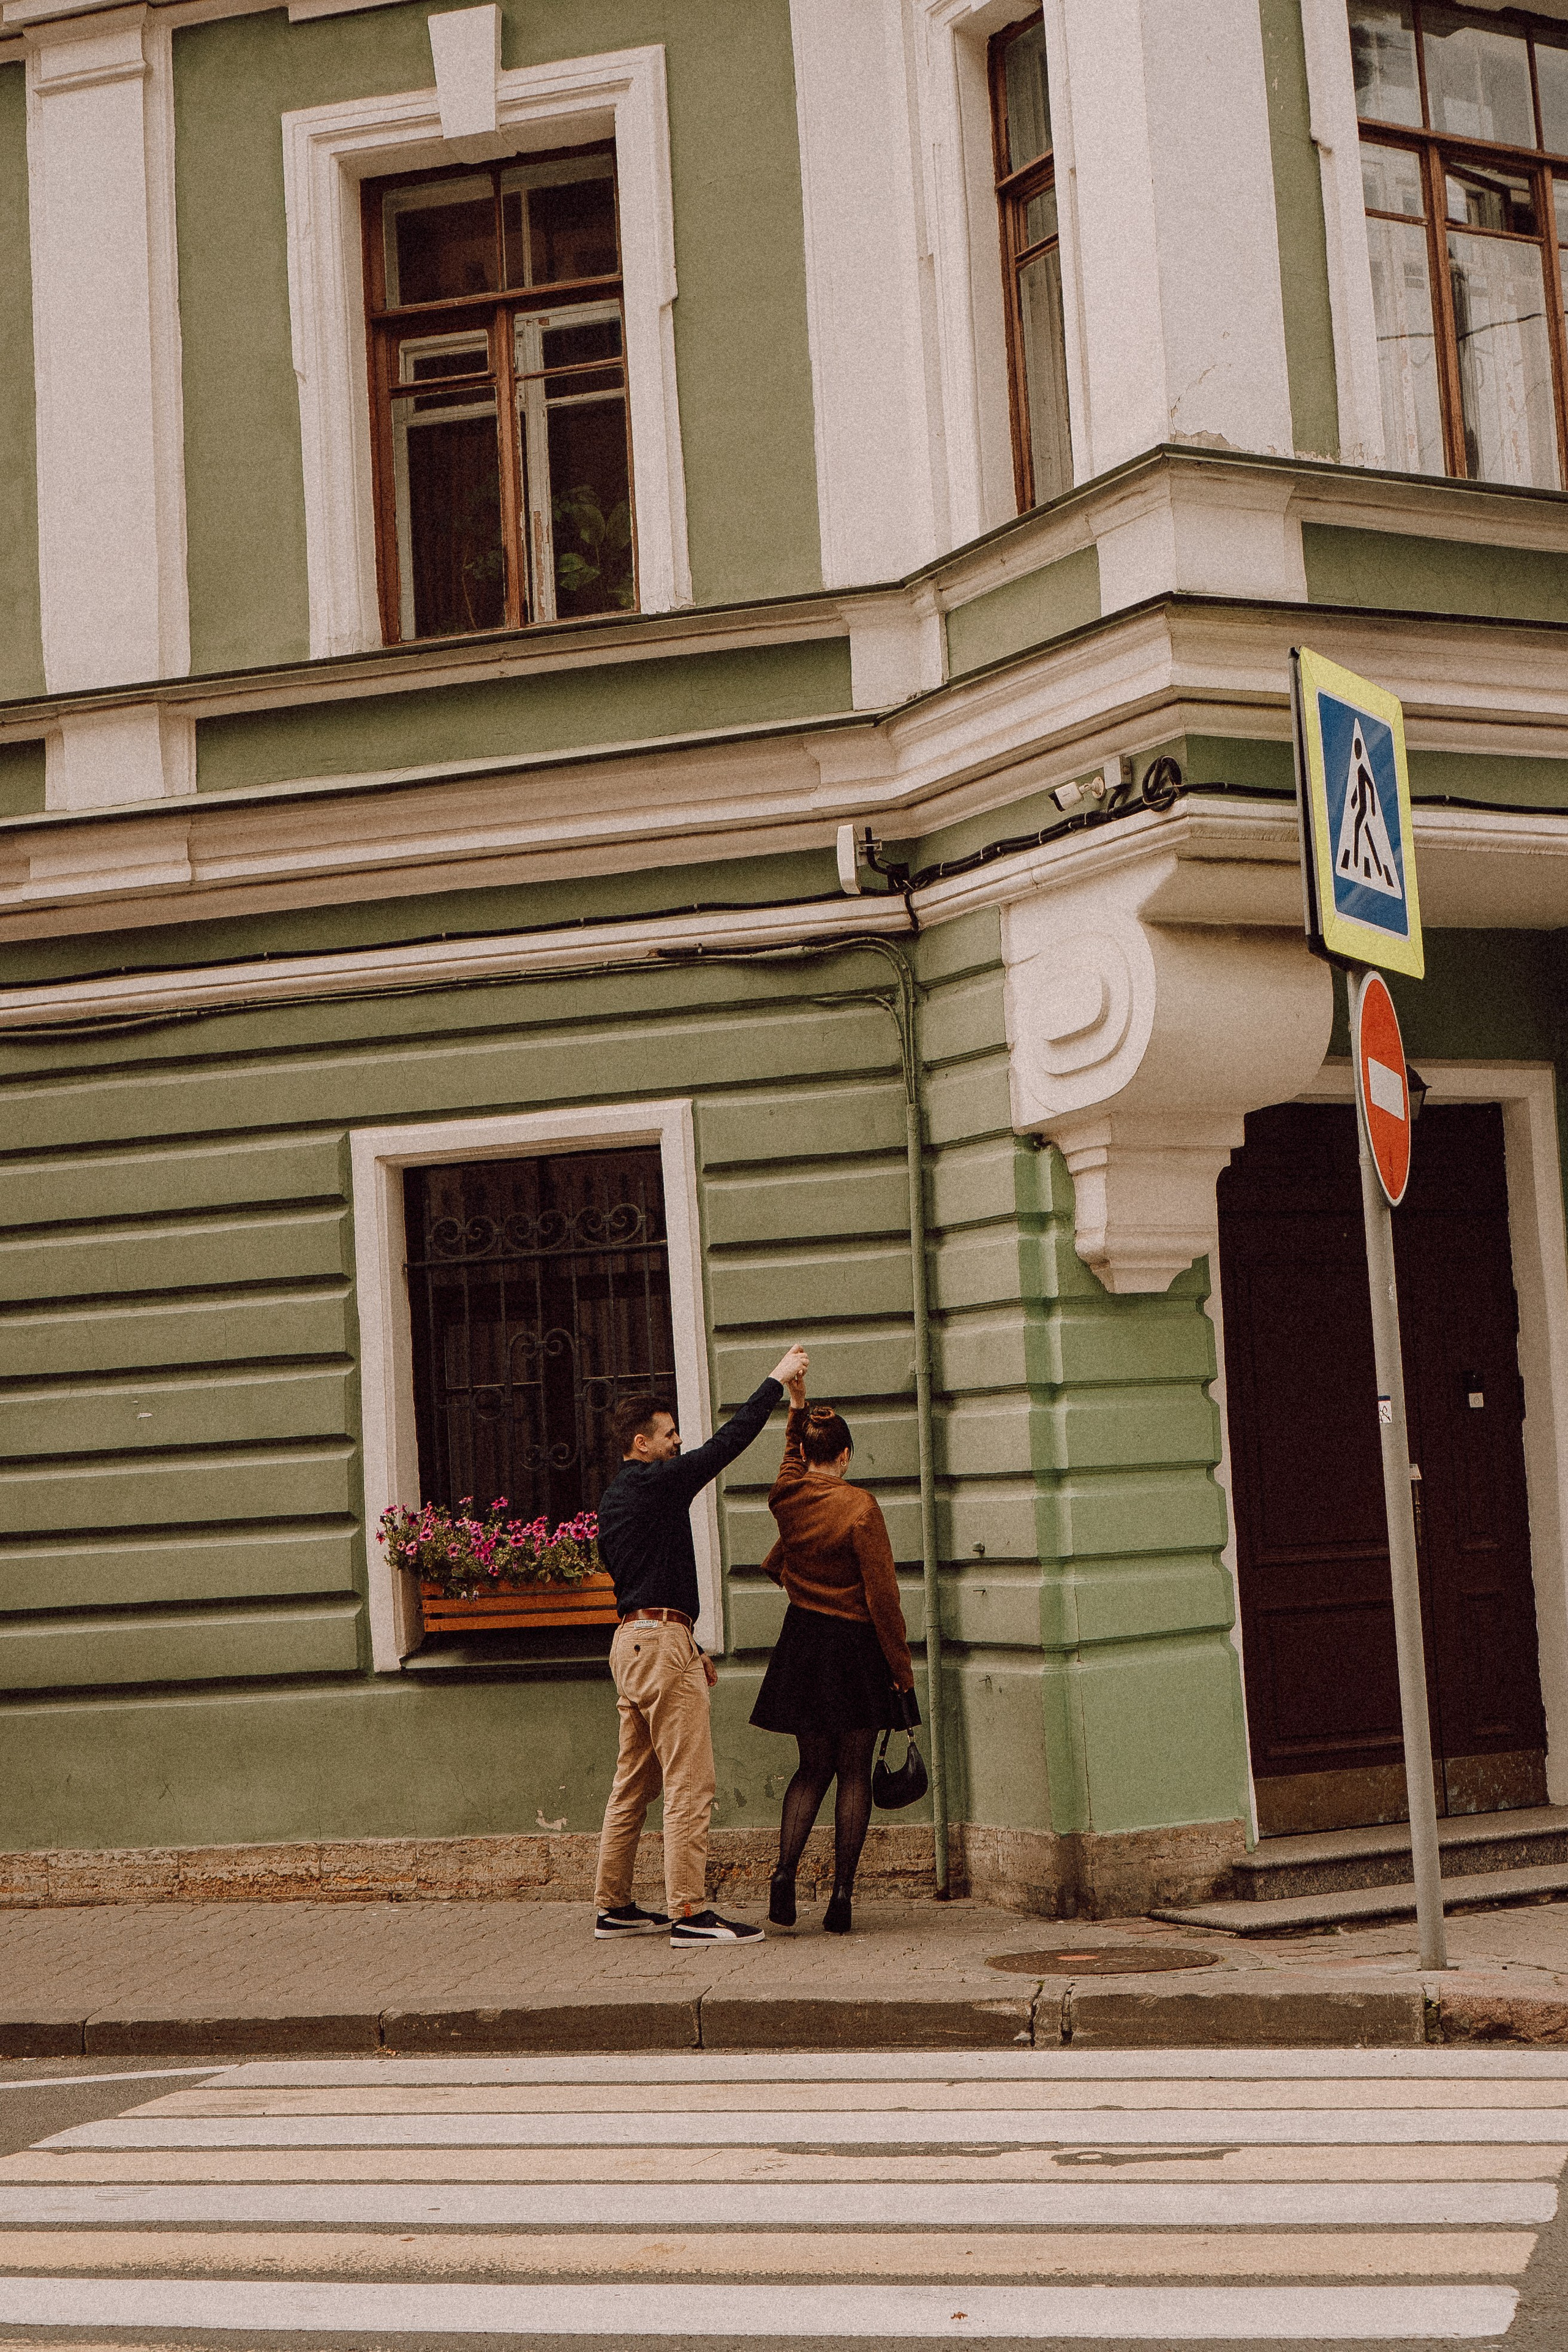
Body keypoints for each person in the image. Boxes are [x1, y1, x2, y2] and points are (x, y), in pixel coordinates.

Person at [593, 1343, 809, 1948]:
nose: (677, 1441)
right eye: (666, 1434)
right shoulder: (660, 1485)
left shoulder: (615, 1499)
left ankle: (613, 1907)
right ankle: (688, 1912)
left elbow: (635, 1574)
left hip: (634, 1642)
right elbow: (727, 1444)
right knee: (691, 1783)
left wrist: (684, 1640)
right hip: (659, 1644)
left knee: (632, 1782)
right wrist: (776, 1381)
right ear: (641, 1443)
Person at [750, 1366, 916, 1936]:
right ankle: (842, 1896)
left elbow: (790, 1452)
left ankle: (782, 1876)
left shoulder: (787, 1495)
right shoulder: (861, 1507)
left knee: (810, 1769)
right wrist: (902, 1671)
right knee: (853, 1773)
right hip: (854, 1647)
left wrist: (796, 1403)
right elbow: (883, 1597)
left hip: (802, 1640)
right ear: (844, 1455)